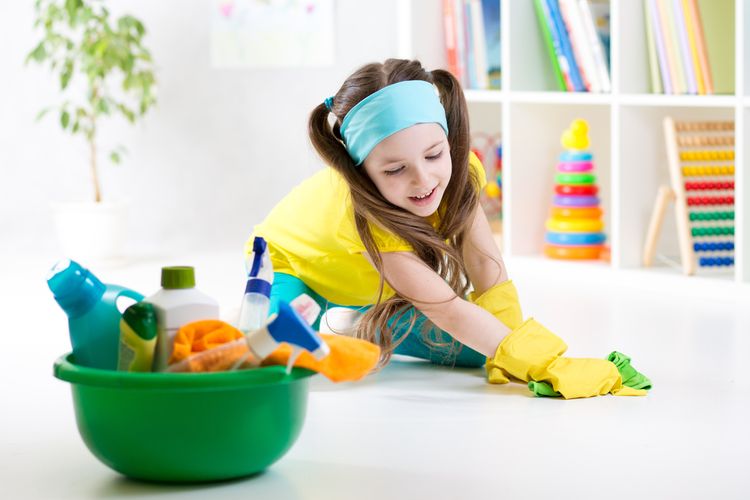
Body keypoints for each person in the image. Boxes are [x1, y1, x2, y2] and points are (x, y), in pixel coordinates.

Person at [247, 59, 651, 399]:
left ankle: (365, 319)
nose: (423, 180)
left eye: (434, 154)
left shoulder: (463, 169)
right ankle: (334, 318)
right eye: (395, 169)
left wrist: (514, 351)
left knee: (484, 349)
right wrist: (545, 361)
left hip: (370, 278)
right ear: (363, 174)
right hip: (292, 264)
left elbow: (483, 259)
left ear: (447, 140)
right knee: (277, 357)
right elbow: (449, 310)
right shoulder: (361, 212)